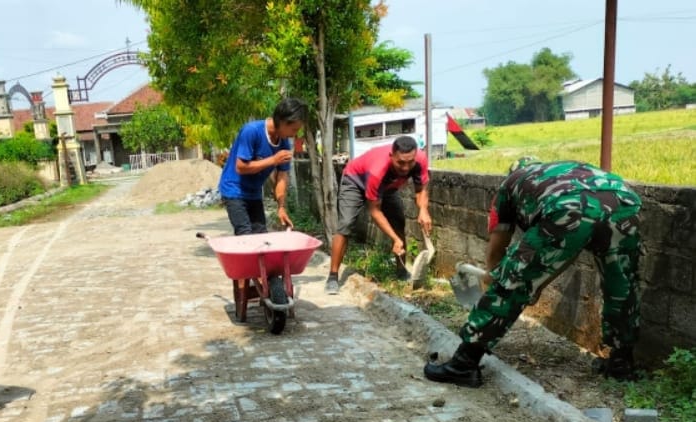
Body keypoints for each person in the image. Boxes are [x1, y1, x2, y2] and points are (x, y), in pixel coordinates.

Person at [424, 157, 643, 388]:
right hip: (624, 202)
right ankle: (621, 363)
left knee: (510, 283)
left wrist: (497, 279)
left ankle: (463, 364)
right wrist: (538, 283)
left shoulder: (510, 184)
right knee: (622, 284)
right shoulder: (558, 172)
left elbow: (497, 246)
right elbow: (568, 250)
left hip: (567, 206)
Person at [326, 135, 432, 294]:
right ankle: (333, 277)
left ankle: (401, 271)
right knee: (346, 224)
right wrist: (394, 239)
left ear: (415, 156)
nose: (405, 168)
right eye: (400, 163)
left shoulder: (420, 160)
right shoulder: (378, 170)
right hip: (355, 182)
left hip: (387, 187)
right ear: (391, 156)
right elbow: (375, 210)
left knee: (398, 222)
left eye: (410, 162)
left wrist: (423, 209)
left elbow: (421, 188)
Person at [217, 97, 307, 236]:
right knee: (245, 235)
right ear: (282, 121)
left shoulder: (283, 142)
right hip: (234, 189)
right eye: (294, 129)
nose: (294, 134)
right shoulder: (251, 131)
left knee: (261, 235)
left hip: (254, 192)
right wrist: (273, 160)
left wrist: (281, 207)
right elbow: (240, 167)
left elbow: (282, 176)